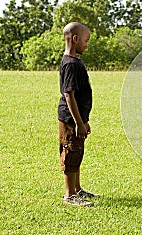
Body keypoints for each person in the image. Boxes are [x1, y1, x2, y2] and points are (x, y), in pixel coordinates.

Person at [58, 22, 99, 206]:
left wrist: (84, 120)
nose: (87, 45)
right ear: (75, 39)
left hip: (77, 119)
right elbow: (69, 95)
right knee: (70, 152)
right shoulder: (70, 65)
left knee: (77, 152)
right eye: (86, 41)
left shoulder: (75, 62)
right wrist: (78, 123)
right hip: (70, 120)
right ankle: (69, 195)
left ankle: (77, 189)